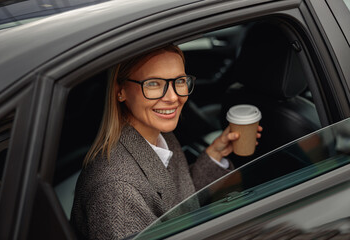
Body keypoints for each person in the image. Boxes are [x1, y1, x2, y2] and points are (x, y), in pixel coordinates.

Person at [70, 45, 262, 240]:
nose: (173, 97)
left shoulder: (161, 136)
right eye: (153, 84)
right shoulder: (116, 192)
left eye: (179, 81)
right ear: (121, 91)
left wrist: (215, 154)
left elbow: (174, 205)